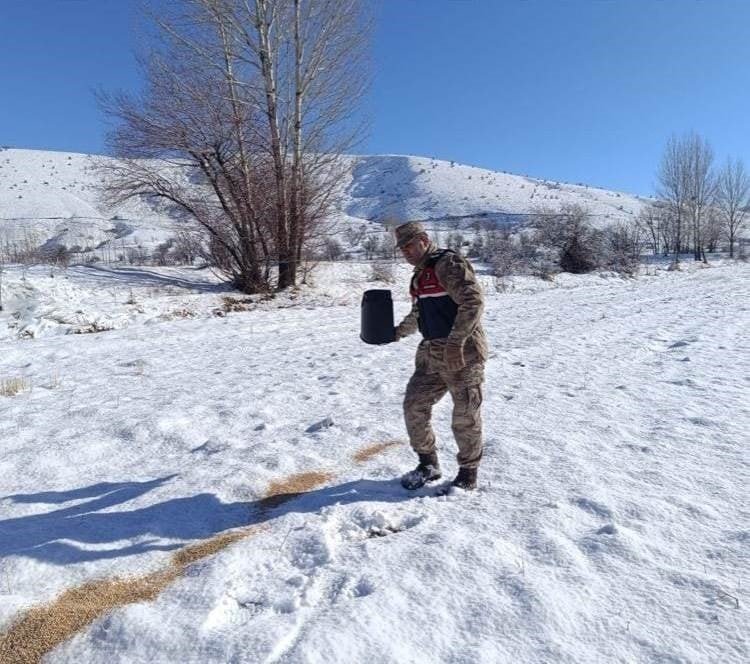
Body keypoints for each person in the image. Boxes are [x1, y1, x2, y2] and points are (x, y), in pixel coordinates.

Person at [392, 221, 487, 491]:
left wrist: (456, 342)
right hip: (431, 355)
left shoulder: (448, 264)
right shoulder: (420, 274)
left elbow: (473, 302)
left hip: (463, 354)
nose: (406, 252)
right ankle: (428, 464)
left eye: (410, 245)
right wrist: (397, 332)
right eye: (402, 248)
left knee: (465, 415)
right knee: (414, 406)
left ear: (423, 239)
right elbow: (419, 312)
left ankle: (468, 474)